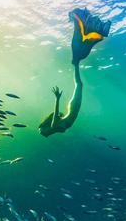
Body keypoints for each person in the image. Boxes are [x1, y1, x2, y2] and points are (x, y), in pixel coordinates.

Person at [39, 8, 111, 137]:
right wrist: (57, 99)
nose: (42, 131)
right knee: (78, 78)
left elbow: (56, 115)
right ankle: (93, 32)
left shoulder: (58, 127)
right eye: (42, 131)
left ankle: (95, 33)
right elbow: (55, 115)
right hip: (72, 108)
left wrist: (57, 100)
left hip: (72, 108)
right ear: (47, 131)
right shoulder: (56, 127)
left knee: (79, 79)